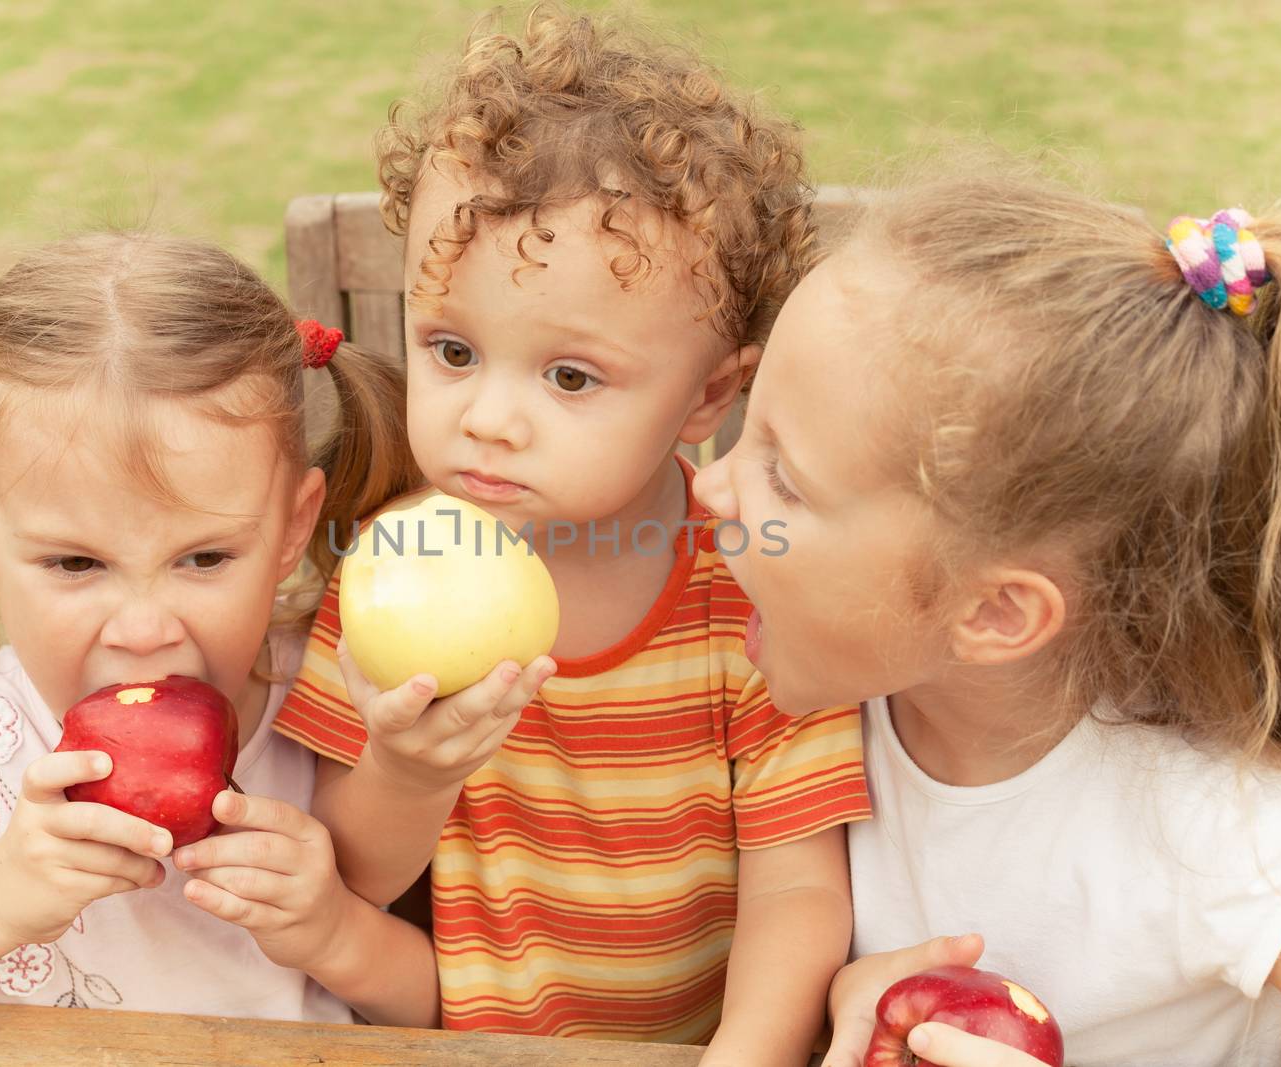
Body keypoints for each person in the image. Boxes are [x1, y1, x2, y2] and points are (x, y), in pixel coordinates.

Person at [275, 5, 870, 1062]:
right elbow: (355, 877)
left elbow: (796, 883)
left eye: (568, 376)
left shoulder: (749, 588)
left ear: (705, 396)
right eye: (451, 350)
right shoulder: (396, 564)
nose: (488, 416)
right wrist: (410, 773)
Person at [690, 168, 1281, 1067]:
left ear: (995, 612)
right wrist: (855, 992)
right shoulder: (832, 702)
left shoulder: (1220, 830)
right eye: (745, 428)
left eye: (784, 479)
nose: (711, 486)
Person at [0, 232, 436, 1067]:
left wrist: (333, 925)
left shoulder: (342, 687)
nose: (144, 629)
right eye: (76, 563)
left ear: (294, 526)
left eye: (204, 558)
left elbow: (442, 1004)